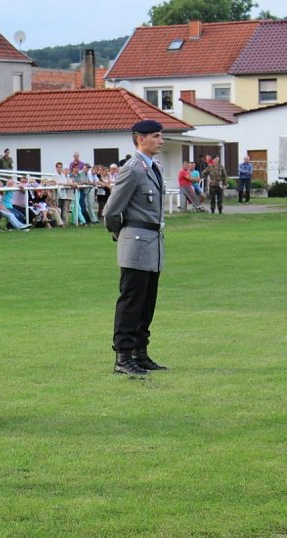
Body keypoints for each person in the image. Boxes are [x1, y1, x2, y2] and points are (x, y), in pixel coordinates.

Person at [104, 119, 168, 376]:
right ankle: (123, 356)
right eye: (156, 135)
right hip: (136, 243)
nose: (161, 140)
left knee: (146, 302)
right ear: (140, 138)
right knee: (131, 302)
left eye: (161, 135)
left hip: (153, 244)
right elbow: (111, 210)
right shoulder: (133, 169)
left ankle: (140, 353)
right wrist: (121, 232)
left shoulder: (153, 168)